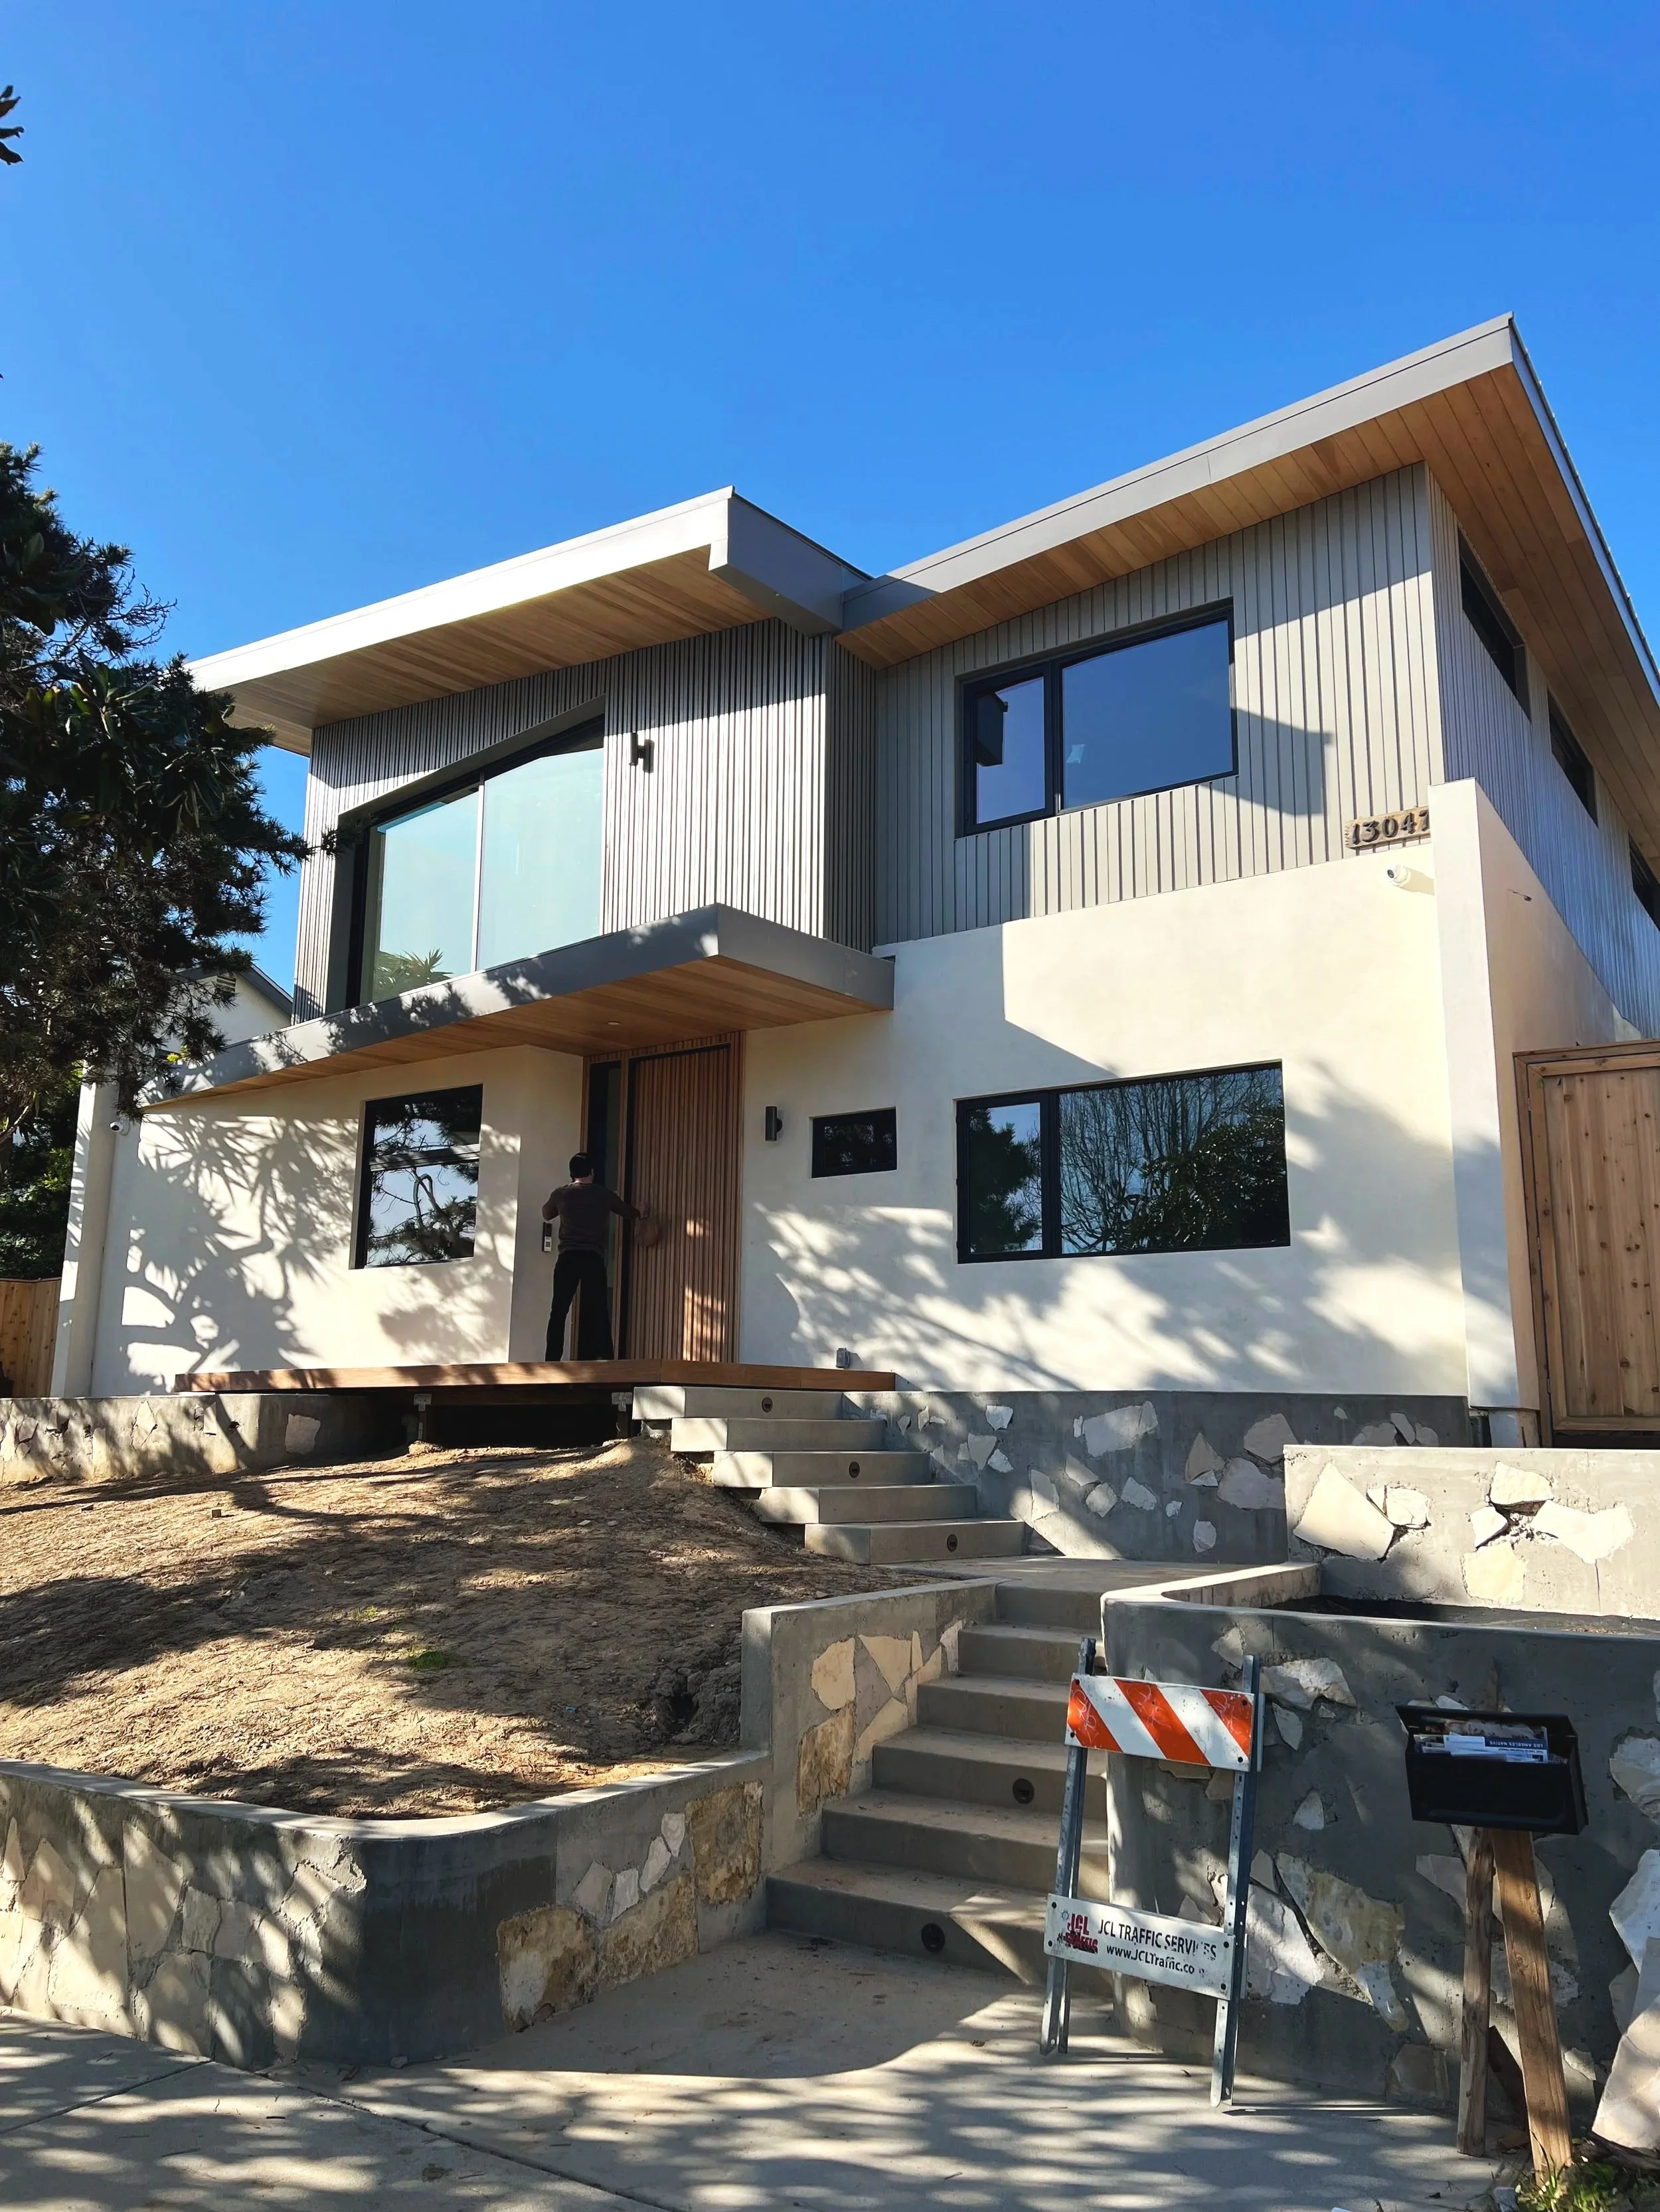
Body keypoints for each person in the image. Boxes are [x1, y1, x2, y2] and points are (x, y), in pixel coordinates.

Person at [542, 1152, 640, 1361]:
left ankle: (551, 1360)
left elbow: (546, 1214)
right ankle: (606, 1358)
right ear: (592, 1173)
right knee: (599, 1310)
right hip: (593, 1258)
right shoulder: (603, 1195)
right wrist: (643, 1214)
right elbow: (629, 1212)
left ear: (571, 1173)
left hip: (568, 1257)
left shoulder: (561, 1194)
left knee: (559, 1310)